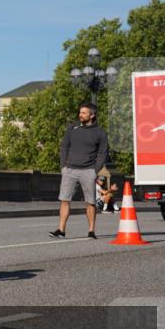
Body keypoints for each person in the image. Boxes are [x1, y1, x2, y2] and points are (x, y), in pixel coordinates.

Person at [49, 102, 109, 239]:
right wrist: (63, 166)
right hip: (69, 170)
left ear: (92, 115)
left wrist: (95, 170)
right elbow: (64, 147)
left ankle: (91, 231)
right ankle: (61, 230)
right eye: (80, 112)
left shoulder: (100, 132)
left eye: (83, 113)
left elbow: (103, 153)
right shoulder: (72, 128)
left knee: (90, 202)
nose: (80, 115)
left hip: (88, 171)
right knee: (64, 200)